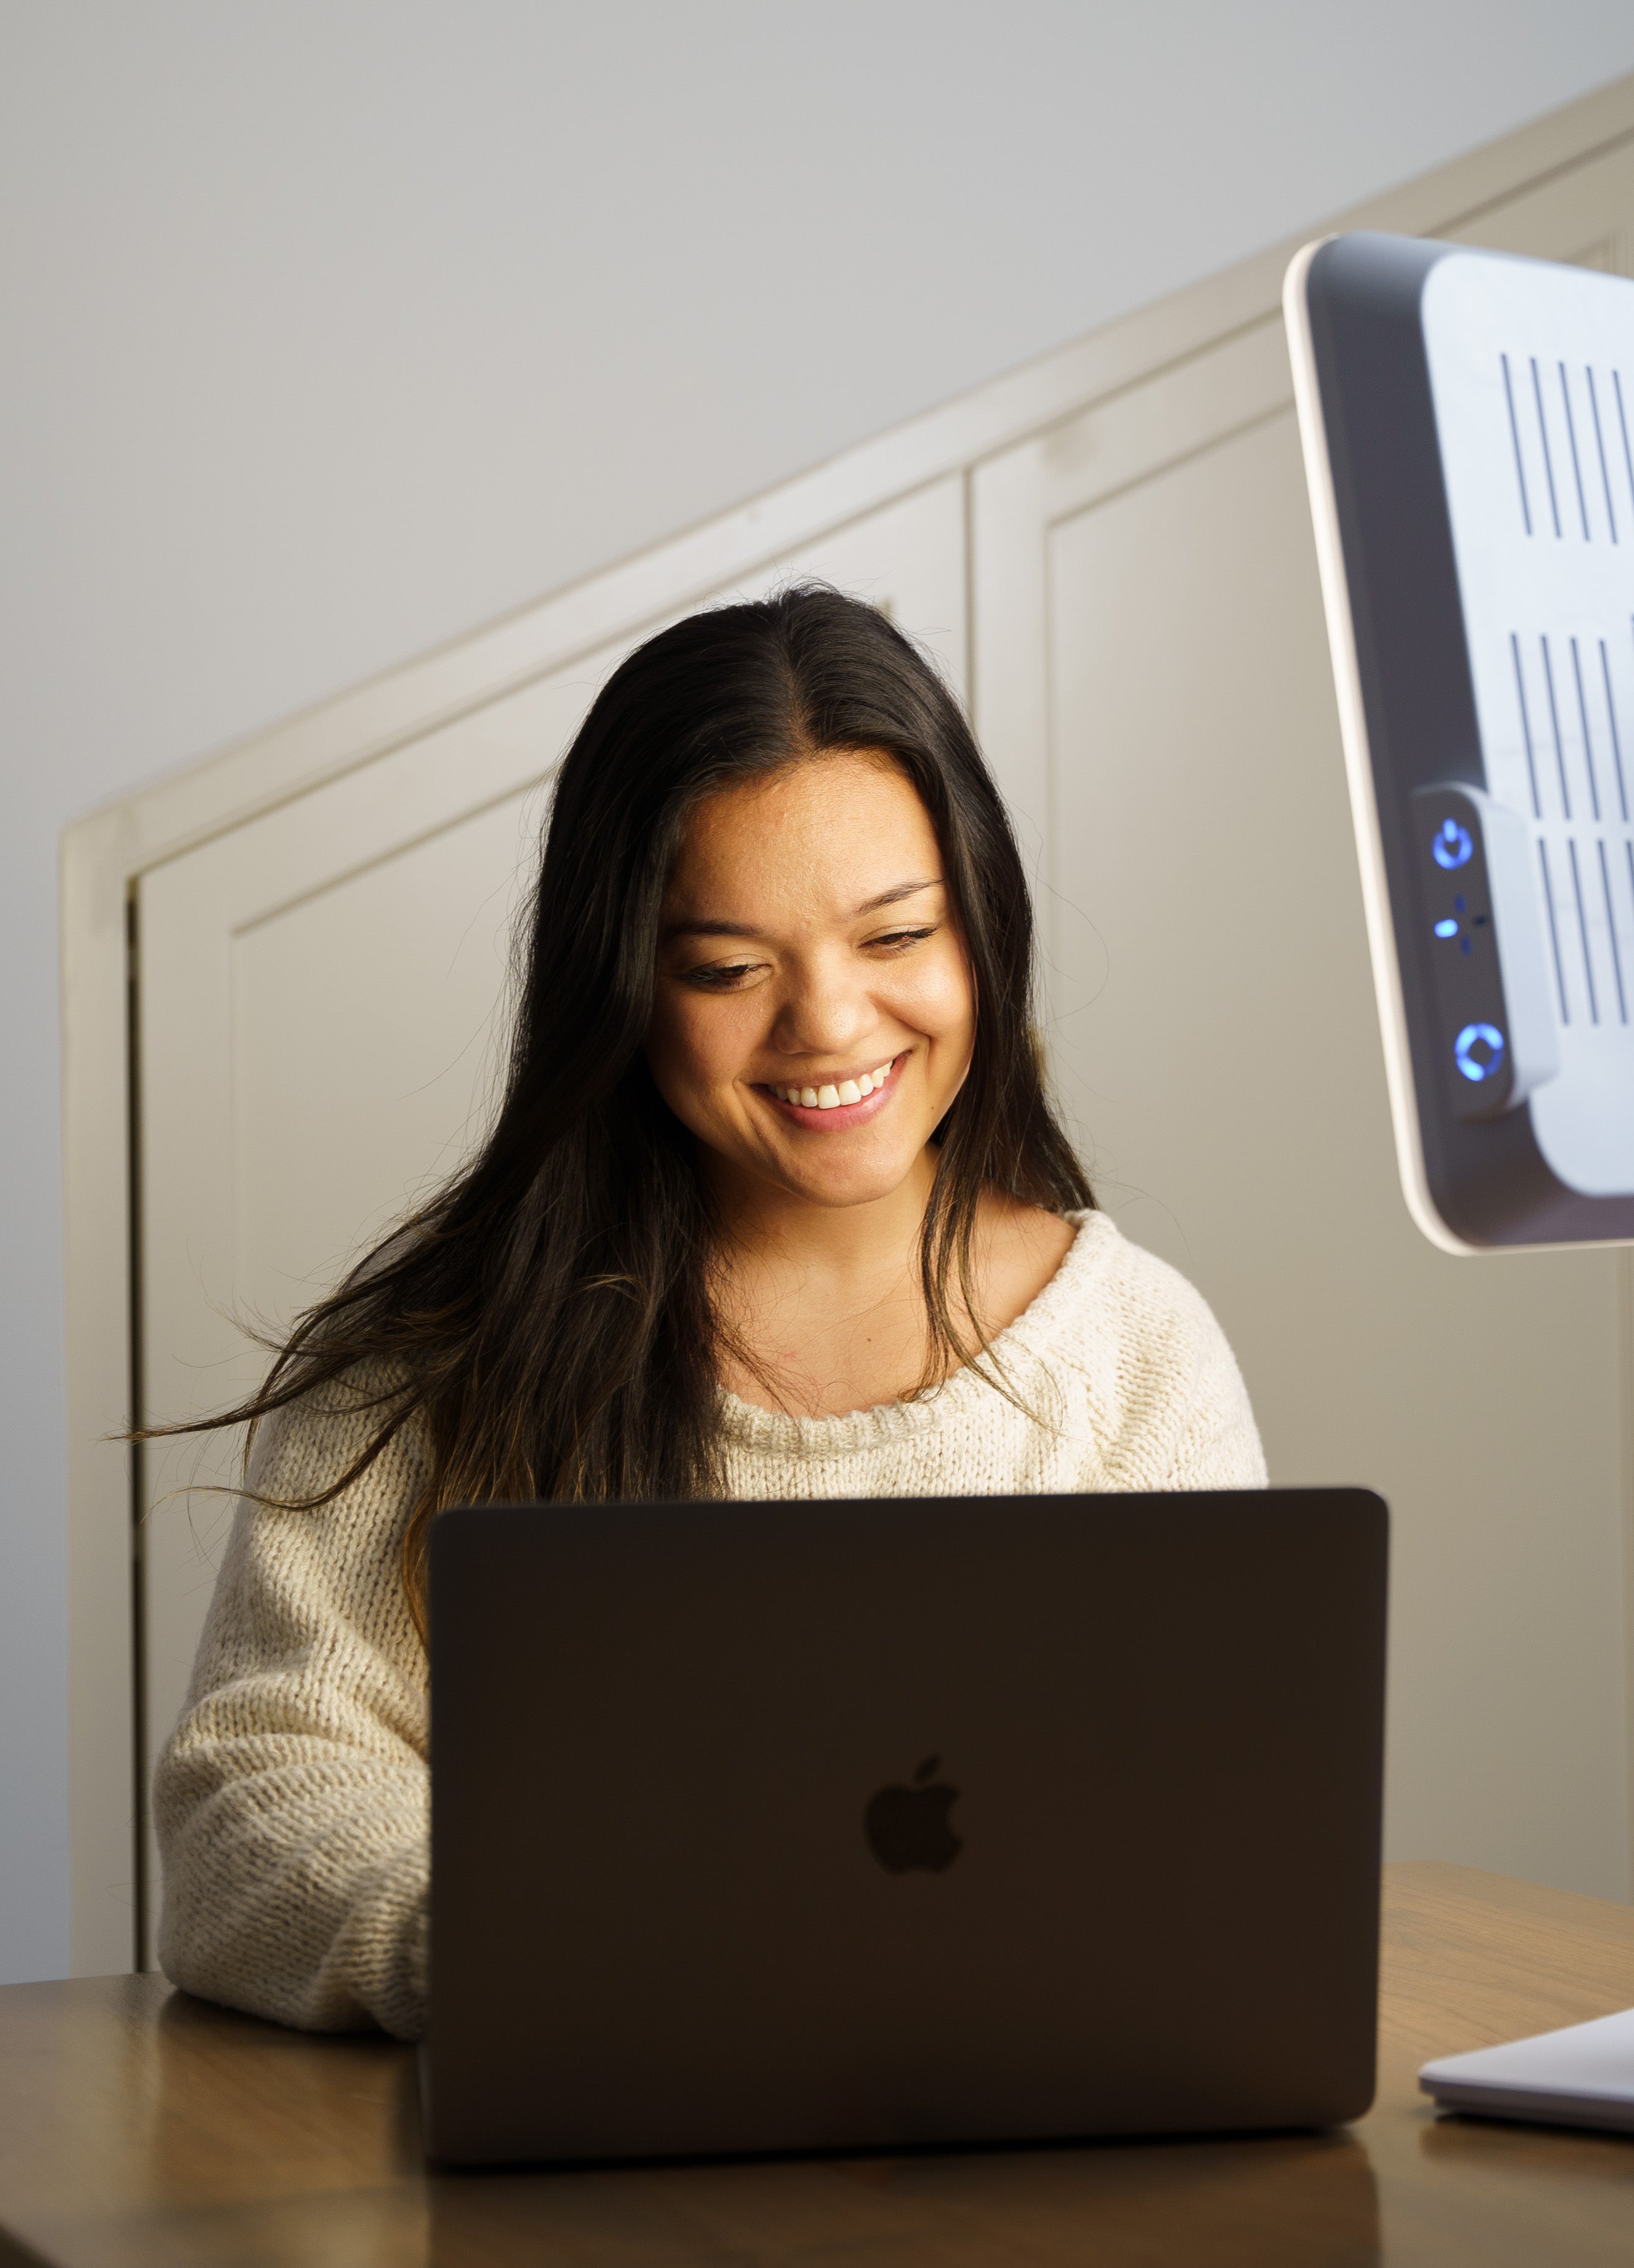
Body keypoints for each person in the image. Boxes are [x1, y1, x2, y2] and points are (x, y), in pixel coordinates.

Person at [147, 586, 1267, 2037]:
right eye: (730, 968)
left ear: (982, 924)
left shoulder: (1134, 1350)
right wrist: (536, 1956)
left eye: (896, 935)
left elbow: (1223, 1823)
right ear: (624, 985)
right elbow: (252, 1789)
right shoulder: (437, 1360)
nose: (829, 1026)